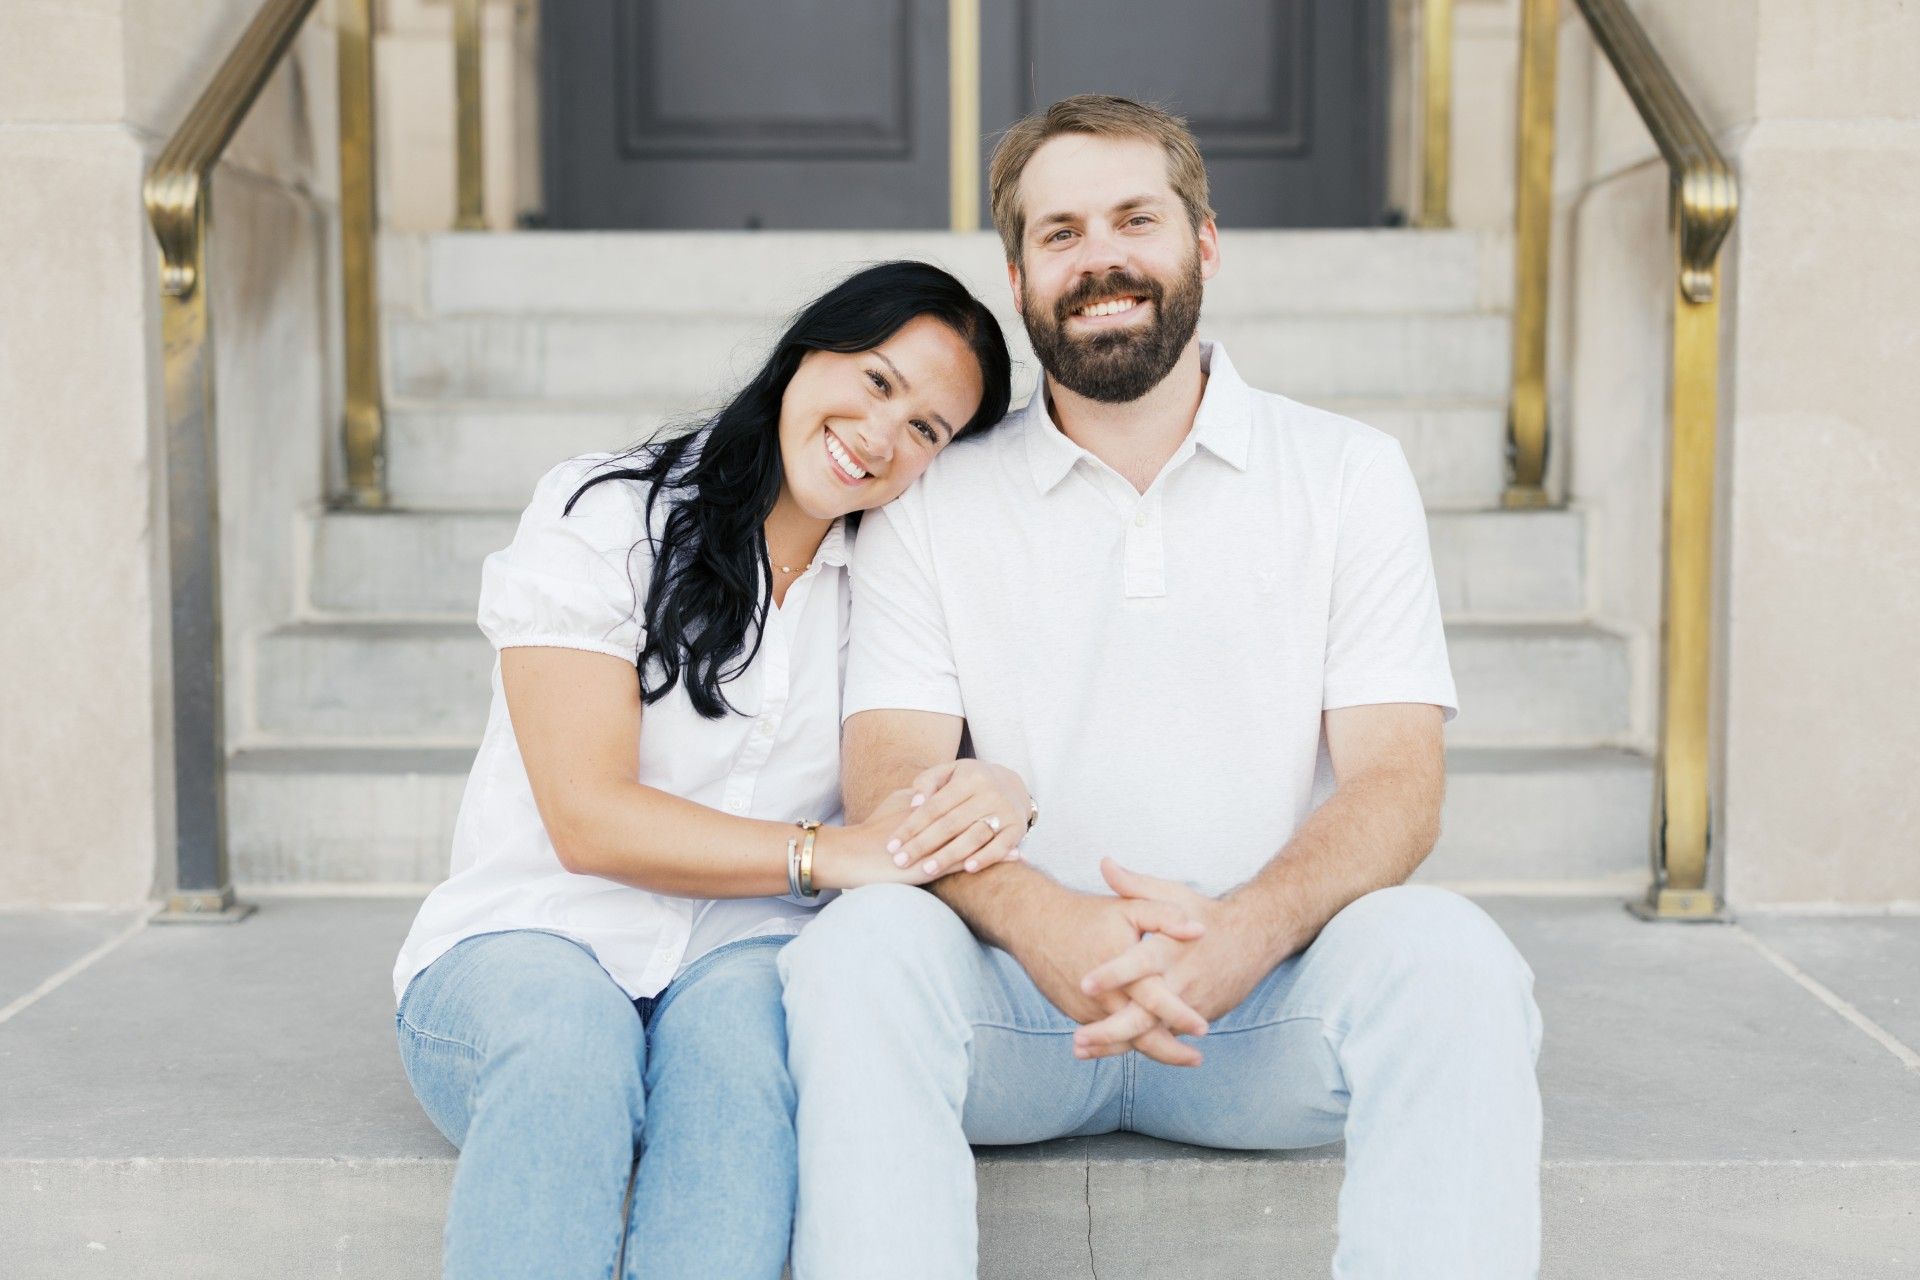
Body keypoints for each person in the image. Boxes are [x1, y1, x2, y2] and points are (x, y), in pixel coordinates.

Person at [778, 96, 1546, 1278]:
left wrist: (1241, 933)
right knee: (855, 951)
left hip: (1258, 1011)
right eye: (1062, 232)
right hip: (1014, 1011)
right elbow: (890, 776)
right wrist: (1055, 926)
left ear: (1205, 242)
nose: (1102, 259)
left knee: (1455, 956)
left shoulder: (1346, 473)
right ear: (1021, 273)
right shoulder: (932, 489)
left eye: (1136, 219)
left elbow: (1401, 785)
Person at [390, 260, 1017, 1280]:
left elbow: (946, 772)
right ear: (808, 352)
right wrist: (827, 854)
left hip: (740, 951)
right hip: (532, 936)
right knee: (569, 1044)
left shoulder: (894, 591)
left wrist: (1010, 788)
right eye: (876, 380)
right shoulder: (609, 513)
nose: (883, 435)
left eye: (929, 429)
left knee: (741, 1060)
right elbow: (589, 819)